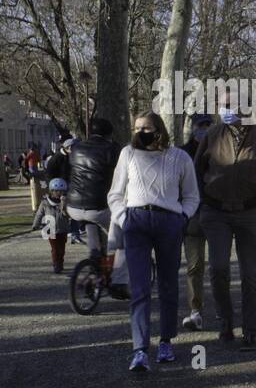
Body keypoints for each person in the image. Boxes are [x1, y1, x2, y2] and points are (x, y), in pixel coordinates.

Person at [107, 112, 200, 373]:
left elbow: (192, 195)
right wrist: (123, 217)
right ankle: (139, 350)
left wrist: (182, 216)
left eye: (145, 128)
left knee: (169, 284)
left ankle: (166, 342)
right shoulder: (128, 154)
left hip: (169, 220)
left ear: (158, 129)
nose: (140, 132)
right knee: (139, 287)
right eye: (136, 128)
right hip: (135, 220)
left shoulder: (179, 157)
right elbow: (115, 193)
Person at [194, 92, 256, 350]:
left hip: (249, 212)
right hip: (215, 212)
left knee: (249, 273)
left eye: (229, 105)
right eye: (221, 105)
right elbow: (195, 173)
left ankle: (251, 330)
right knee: (218, 268)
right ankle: (225, 323)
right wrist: (200, 203)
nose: (224, 109)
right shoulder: (212, 136)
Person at [65, 118, 128, 296]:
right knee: (120, 241)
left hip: (74, 206)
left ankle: (94, 263)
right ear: (109, 134)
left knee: (90, 223)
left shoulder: (76, 149)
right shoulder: (113, 149)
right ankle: (119, 282)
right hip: (99, 206)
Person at [180, 113, 213, 331]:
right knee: (194, 265)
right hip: (191, 217)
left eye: (209, 125)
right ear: (192, 128)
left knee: (220, 267)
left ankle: (223, 308)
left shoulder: (223, 150)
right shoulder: (181, 154)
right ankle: (195, 310)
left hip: (218, 214)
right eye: (201, 126)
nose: (205, 130)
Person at [31, 176, 71, 273]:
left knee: (62, 249)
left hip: (63, 229)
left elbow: (69, 215)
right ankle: (56, 263)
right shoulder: (45, 202)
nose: (59, 193)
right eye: (56, 191)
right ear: (51, 191)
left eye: (61, 191)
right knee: (55, 249)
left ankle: (60, 262)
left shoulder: (66, 202)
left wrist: (64, 205)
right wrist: (35, 224)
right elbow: (39, 213)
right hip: (50, 228)